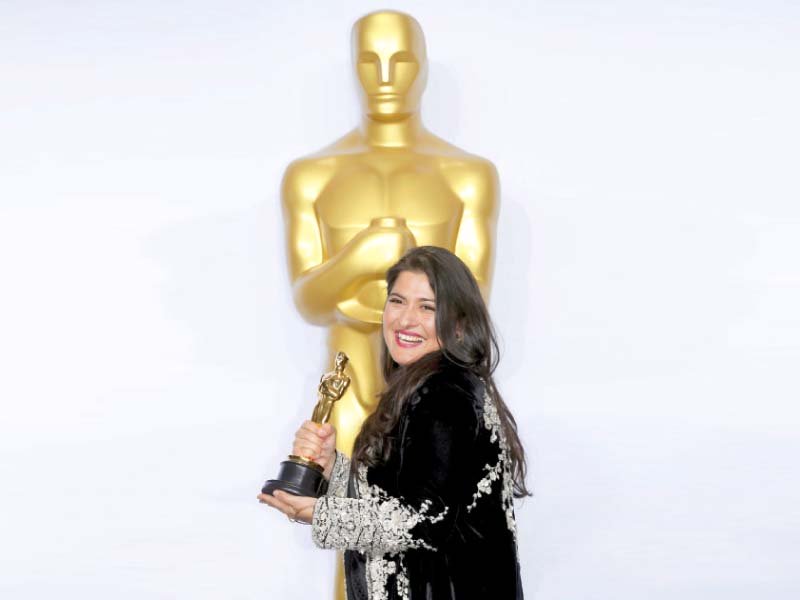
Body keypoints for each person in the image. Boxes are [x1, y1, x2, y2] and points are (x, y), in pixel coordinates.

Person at [259, 246, 528, 599]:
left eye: (427, 307)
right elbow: (406, 489)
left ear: (460, 323)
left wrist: (321, 514)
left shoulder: (445, 394)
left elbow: (426, 518)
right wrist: (333, 469)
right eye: (397, 301)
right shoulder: (428, 386)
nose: (405, 320)